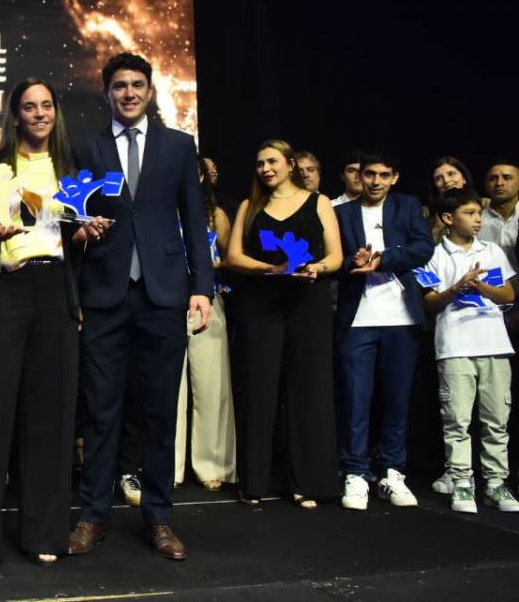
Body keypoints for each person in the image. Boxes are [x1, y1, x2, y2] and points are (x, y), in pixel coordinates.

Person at [67, 53, 214, 562]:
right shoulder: (85, 147)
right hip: (103, 295)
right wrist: (74, 291)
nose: (128, 93)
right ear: (106, 93)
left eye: (136, 85)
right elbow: (71, 220)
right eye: (119, 86)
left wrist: (203, 286)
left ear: (149, 92)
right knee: (101, 410)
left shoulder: (179, 146)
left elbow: (193, 218)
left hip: (164, 294)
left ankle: (159, 517)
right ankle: (93, 514)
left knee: (158, 410)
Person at [0, 79, 81, 566]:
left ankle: (44, 533)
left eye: (46, 105)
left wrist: (85, 232)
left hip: (55, 292)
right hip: (3, 290)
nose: (39, 113)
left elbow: (79, 234)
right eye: (30, 107)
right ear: (16, 115)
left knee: (50, 416)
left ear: (56, 113)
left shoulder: (72, 169)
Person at [226, 139, 342, 509]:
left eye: (272, 161)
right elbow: (233, 256)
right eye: (260, 163)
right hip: (261, 303)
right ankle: (255, 482)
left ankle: (306, 483)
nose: (265, 169)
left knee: (308, 390)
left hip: (308, 302)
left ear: (290, 164)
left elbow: (336, 256)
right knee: (259, 390)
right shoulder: (249, 206)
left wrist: (317, 267)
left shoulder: (319, 202)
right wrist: (269, 269)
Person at [333, 152, 433, 510]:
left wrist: (383, 260)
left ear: (394, 177)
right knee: (354, 400)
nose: (376, 181)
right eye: (370, 174)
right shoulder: (342, 212)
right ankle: (355, 472)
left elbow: (424, 247)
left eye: (383, 175)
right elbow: (332, 259)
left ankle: (392, 471)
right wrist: (354, 262)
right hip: (358, 319)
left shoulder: (407, 206)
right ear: (359, 176)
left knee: (396, 400)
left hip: (401, 318)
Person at [422, 187, 518, 513]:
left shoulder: (491, 251)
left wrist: (479, 286)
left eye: (478, 213)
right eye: (470, 213)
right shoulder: (434, 255)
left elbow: (508, 295)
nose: (478, 219)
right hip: (455, 346)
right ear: (448, 218)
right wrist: (456, 288)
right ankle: (462, 480)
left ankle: (495, 482)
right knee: (457, 420)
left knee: (496, 419)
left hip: (494, 344)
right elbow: (430, 303)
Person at [173, 156, 237, 491]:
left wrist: (206, 264)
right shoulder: (160, 210)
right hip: (166, 301)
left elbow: (232, 257)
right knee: (168, 388)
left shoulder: (215, 214)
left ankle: (212, 464)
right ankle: (168, 466)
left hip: (207, 299)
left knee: (211, 385)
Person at [426, 156, 475, 240]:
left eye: (451, 174)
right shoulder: (425, 213)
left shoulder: (486, 205)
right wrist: (436, 229)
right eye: (438, 178)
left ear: (464, 178)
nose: (446, 180)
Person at [481, 160, 518, 256]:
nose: (499, 183)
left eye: (507, 178)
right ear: (485, 185)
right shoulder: (475, 220)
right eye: (492, 179)